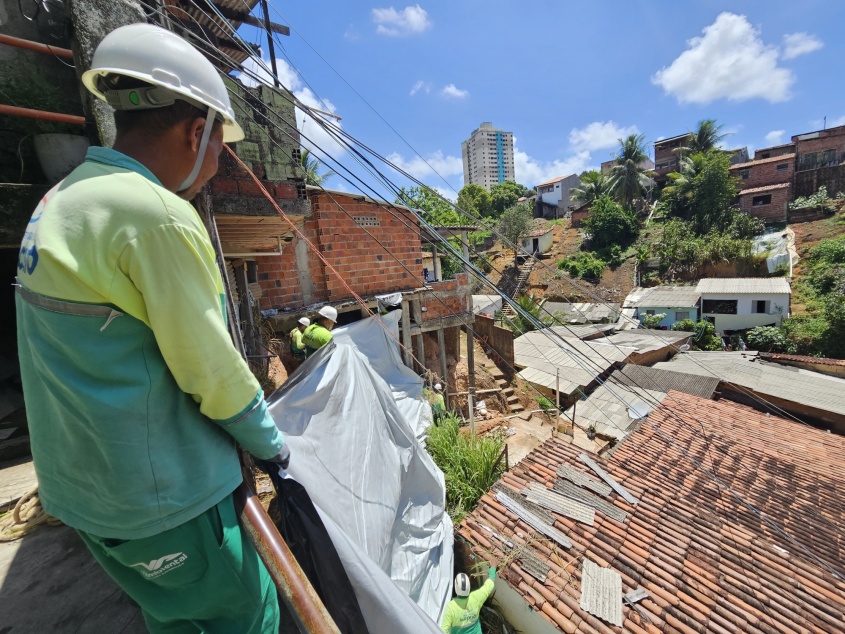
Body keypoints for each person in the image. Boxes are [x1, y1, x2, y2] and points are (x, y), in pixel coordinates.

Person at [15, 24, 286, 633]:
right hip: (162, 497)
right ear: (197, 132)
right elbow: (210, 369)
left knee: (173, 618)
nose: (218, 165)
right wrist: (274, 447)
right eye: (220, 146)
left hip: (85, 492)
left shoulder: (61, 201)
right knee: (242, 615)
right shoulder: (156, 216)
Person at [440, 567, 497, 634]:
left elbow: (444, 631)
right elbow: (489, 585)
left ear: (455, 587)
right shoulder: (476, 597)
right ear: (469, 586)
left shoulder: (451, 607)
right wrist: (493, 568)